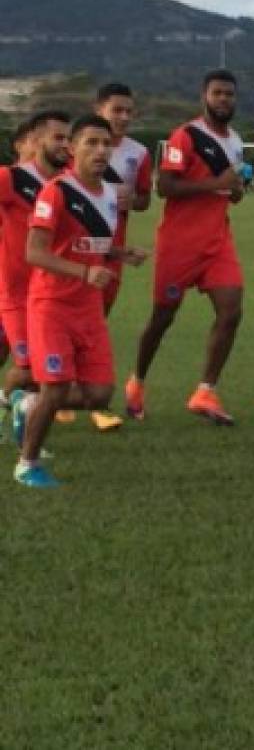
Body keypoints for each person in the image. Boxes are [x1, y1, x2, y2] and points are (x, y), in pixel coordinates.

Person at [13, 115, 147, 488]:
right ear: (72, 150)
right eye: (92, 143)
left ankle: (26, 405)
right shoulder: (55, 192)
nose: (102, 150)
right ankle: (28, 463)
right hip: (51, 305)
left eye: (106, 144)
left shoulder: (108, 194)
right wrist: (84, 273)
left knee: (99, 394)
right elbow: (35, 252)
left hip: (87, 309)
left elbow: (91, 246)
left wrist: (120, 254)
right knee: (55, 387)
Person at [125, 69, 245, 425]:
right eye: (218, 93)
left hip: (217, 241)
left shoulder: (236, 141)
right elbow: (165, 187)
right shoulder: (186, 136)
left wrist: (232, 190)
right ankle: (137, 383)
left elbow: (227, 188)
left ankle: (205, 391)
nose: (224, 99)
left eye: (229, 94)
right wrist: (215, 183)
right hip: (180, 244)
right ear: (204, 96)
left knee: (231, 310)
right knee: (163, 318)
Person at [87, 82, 153, 431]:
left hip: (112, 252)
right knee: (70, 323)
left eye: (129, 111)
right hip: (76, 251)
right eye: (117, 110)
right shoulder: (76, 147)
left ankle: (84, 397)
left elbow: (144, 199)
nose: (124, 117)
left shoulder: (138, 153)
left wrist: (131, 201)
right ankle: (69, 394)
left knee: (98, 321)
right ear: (99, 109)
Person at [0, 111, 72, 421]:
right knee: (29, 366)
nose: (66, 145)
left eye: (69, 138)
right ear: (35, 140)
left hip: (50, 293)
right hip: (14, 291)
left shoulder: (66, 186)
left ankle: (14, 410)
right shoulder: (10, 178)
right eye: (58, 138)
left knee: (39, 368)